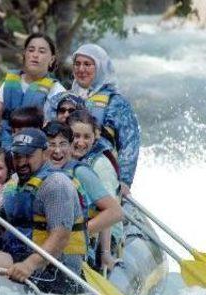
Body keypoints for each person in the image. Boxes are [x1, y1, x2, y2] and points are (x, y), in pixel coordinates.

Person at [0, 128, 88, 295]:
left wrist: (30, 264)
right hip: (19, 255)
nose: (21, 162)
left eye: (28, 156)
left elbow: (60, 237)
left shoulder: (56, 184)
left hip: (55, 269)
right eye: (18, 156)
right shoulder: (13, 183)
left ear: (45, 153)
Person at [43, 121, 123, 269]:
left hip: (72, 253)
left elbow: (115, 212)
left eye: (63, 144)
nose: (57, 150)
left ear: (69, 146)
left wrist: (76, 234)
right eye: (51, 145)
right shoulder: (35, 172)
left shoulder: (81, 172)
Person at [70, 43, 141, 196]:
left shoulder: (116, 101)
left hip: (101, 172)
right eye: (77, 64)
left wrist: (124, 181)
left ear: (100, 67)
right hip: (71, 169)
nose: (81, 69)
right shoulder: (68, 98)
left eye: (87, 64)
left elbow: (130, 143)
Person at [68, 109, 124, 263]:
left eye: (87, 137)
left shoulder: (99, 166)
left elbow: (109, 213)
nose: (80, 142)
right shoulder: (61, 158)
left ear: (95, 137)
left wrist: (105, 253)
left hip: (103, 233)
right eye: (76, 136)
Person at [0, 33, 65, 136]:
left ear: (52, 59)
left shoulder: (57, 91)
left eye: (41, 51)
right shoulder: (10, 81)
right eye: (31, 50)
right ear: (25, 54)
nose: (35, 55)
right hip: (3, 138)